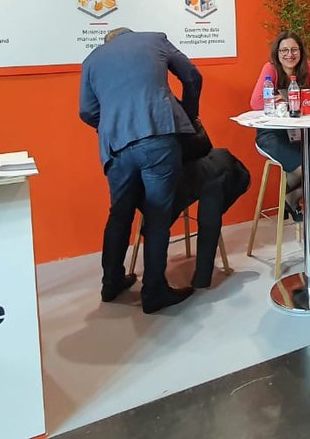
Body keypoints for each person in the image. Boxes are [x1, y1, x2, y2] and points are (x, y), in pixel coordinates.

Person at [80, 27, 201, 313]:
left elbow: (86, 111)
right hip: (158, 135)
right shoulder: (155, 39)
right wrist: (188, 115)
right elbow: (192, 76)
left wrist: (113, 125)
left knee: (119, 214)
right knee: (157, 216)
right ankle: (154, 291)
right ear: (129, 35)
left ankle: (111, 283)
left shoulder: (91, 60)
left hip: (116, 148)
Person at [251, 31, 310, 218]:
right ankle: (287, 200)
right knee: (301, 169)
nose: (289, 55)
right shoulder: (270, 69)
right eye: (284, 50)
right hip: (273, 133)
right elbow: (256, 102)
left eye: (294, 50)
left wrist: (286, 97)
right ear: (277, 52)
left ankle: (292, 197)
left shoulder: (307, 67)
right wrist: (299, 97)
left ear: (300, 52)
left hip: (303, 130)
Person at [141, 145, 250, 289]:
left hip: (165, 174)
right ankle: (201, 280)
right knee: (209, 221)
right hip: (207, 170)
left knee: (159, 223)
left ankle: (198, 280)